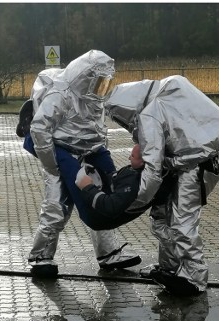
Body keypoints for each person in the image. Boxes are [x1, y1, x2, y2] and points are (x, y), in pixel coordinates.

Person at [104, 75, 219, 295]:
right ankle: (170, 268)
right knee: (161, 219)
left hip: (192, 171)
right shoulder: (160, 100)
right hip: (187, 168)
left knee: (181, 224)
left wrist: (134, 203)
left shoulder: (149, 114)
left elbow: (152, 168)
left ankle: (195, 279)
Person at [21, 50, 141, 277]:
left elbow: (97, 128)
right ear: (86, 77)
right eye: (99, 81)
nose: (102, 87)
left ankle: (108, 254)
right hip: (60, 152)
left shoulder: (94, 96)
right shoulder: (61, 94)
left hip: (90, 152)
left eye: (106, 82)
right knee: (57, 204)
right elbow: (39, 128)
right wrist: (53, 166)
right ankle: (41, 256)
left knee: (101, 197)